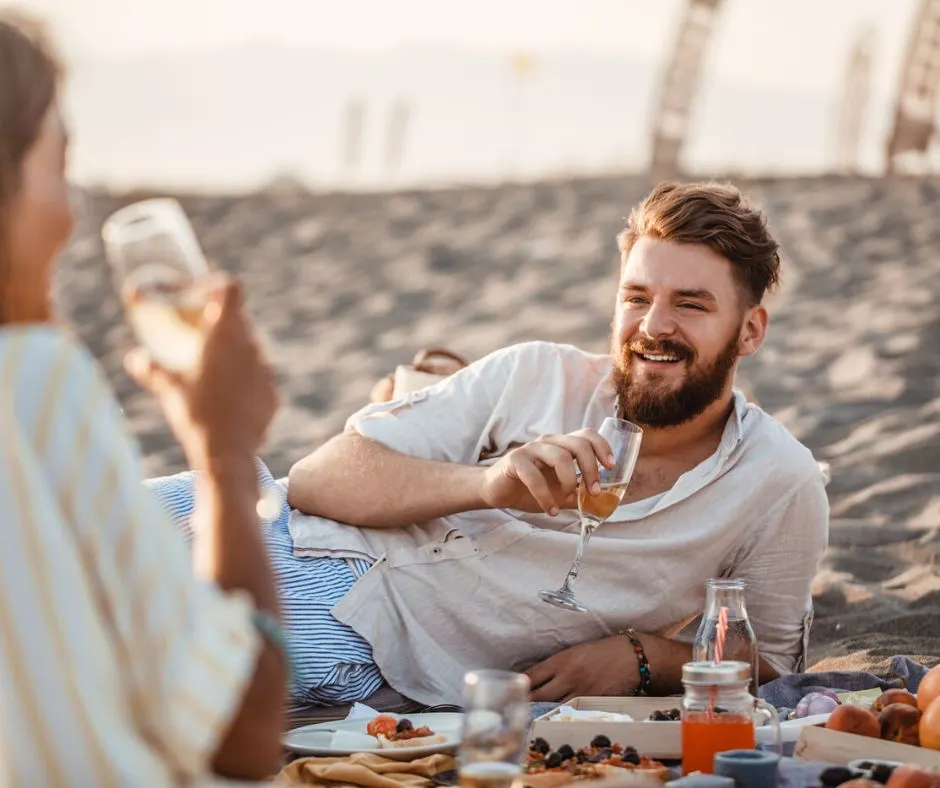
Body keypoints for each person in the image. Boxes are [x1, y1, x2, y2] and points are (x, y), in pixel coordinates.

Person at [285, 181, 829, 706]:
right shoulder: (535, 372)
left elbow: (772, 668)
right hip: (259, 529)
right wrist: (487, 485)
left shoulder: (778, 481)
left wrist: (645, 658)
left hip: (350, 652)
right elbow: (314, 480)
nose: (654, 326)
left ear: (751, 331)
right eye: (636, 298)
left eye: (691, 305)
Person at [0, 13, 286, 785]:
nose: (69, 213)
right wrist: (222, 455)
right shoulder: (30, 381)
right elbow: (242, 729)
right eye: (57, 166)